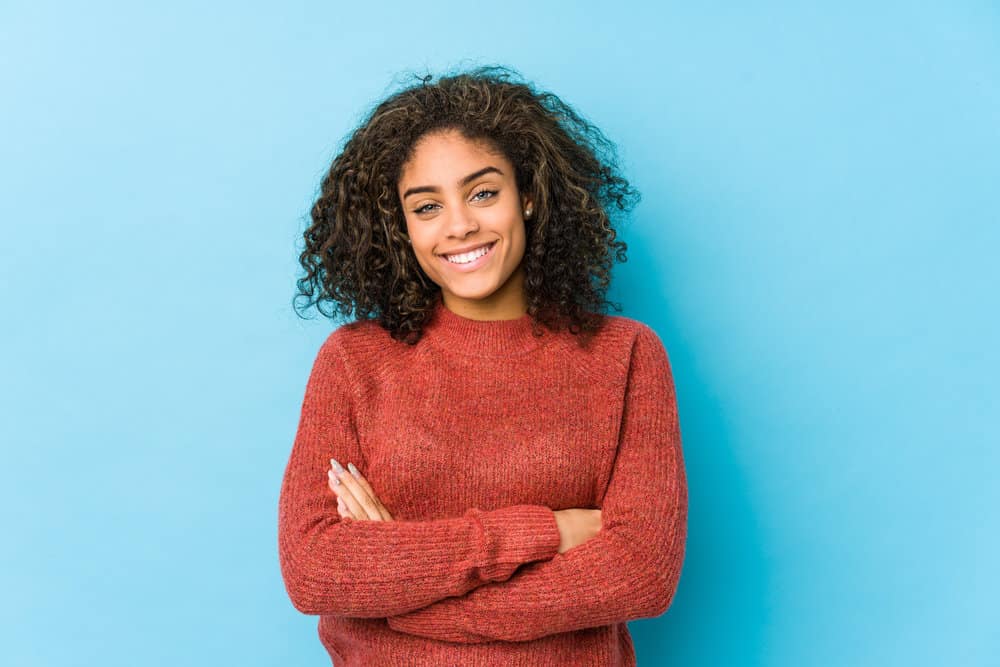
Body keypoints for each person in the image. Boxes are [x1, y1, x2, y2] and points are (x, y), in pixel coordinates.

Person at [278, 64, 688, 666]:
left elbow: (643, 570)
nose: (459, 225)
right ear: (402, 228)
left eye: (483, 192)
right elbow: (315, 569)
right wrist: (547, 532)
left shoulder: (624, 355)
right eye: (426, 207)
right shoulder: (354, 362)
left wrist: (407, 593)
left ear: (527, 195)